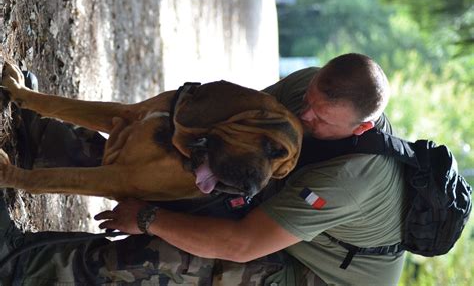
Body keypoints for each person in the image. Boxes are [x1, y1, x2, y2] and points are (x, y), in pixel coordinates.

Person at [0, 53, 406, 285]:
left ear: (362, 127)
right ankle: (45, 142)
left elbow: (239, 244)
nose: (304, 116)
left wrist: (148, 216)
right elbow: (222, 129)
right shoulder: (308, 89)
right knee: (167, 168)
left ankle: (19, 264)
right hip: (288, 222)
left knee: (176, 258)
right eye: (309, 101)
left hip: (316, 276)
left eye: (320, 119)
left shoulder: (350, 181)